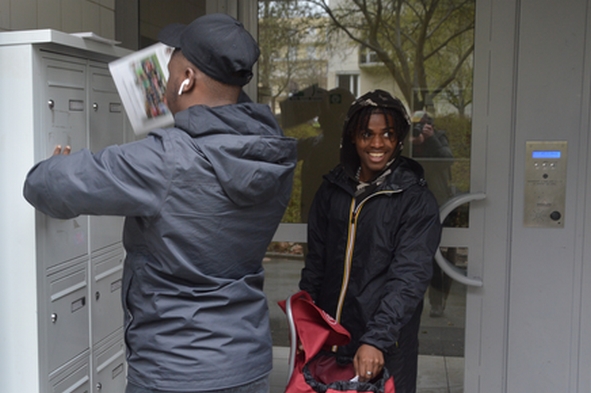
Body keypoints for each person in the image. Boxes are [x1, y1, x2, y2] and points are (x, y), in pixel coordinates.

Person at [23, 13, 297, 393]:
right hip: (245, 364)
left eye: (171, 71)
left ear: (187, 79)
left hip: (175, 371)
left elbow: (44, 184)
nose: (164, 80)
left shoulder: (166, 160)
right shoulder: (273, 154)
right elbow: (230, 118)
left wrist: (53, 164)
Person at [299, 90, 442, 393]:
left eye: (387, 134)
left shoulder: (415, 200)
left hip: (385, 345)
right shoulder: (332, 190)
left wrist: (376, 339)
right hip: (330, 343)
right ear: (353, 136)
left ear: (399, 138)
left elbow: (409, 277)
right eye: (367, 134)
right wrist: (306, 321)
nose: (377, 144)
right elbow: (316, 264)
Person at [410, 111, 455, 318]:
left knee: (437, 258)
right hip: (410, 204)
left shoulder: (439, 138)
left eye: (424, 125)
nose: (419, 128)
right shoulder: (407, 139)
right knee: (412, 258)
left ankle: (437, 303)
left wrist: (430, 139)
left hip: (437, 202)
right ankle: (411, 302)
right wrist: (409, 142)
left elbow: (446, 160)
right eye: (415, 125)